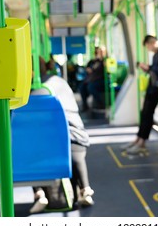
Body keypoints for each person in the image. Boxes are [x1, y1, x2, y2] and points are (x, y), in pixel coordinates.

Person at [30, 56, 94, 213]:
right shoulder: (58, 81)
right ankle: (85, 189)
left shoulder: (37, 89)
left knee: (31, 148)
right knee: (75, 153)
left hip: (58, 140)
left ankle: (39, 193)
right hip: (78, 133)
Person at [123, 35, 158, 154]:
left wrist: (149, 68)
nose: (149, 49)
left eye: (149, 46)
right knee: (144, 113)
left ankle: (142, 142)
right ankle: (139, 139)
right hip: (153, 86)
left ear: (153, 43)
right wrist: (148, 68)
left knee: (148, 113)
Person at [79, 46, 106, 111]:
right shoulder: (92, 61)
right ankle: (85, 105)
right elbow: (88, 69)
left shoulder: (104, 61)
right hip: (91, 80)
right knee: (82, 87)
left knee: (91, 87)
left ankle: (100, 104)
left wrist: (101, 60)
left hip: (100, 80)